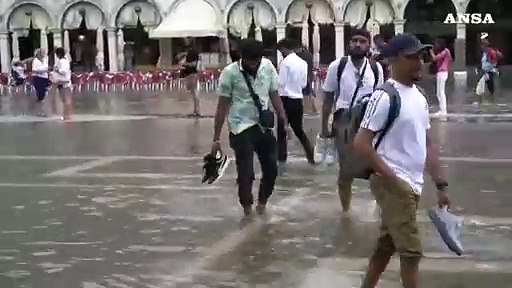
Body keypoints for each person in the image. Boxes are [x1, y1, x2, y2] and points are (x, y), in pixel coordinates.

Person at [353, 33, 450, 288]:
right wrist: (393, 179)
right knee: (411, 250)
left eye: (420, 56)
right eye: (411, 58)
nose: (419, 63)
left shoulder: (418, 96)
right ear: (393, 61)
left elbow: (427, 144)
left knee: (387, 245)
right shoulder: (384, 96)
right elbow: (361, 143)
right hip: (393, 182)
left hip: (411, 183)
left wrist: (441, 184)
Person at [211, 39, 288, 216]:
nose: (253, 64)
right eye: (249, 60)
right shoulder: (229, 73)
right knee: (246, 172)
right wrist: (216, 138)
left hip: (263, 126)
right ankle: (247, 209)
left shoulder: (267, 67)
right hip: (240, 127)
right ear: (241, 57)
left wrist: (283, 119)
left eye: (256, 60)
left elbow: (274, 93)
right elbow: (222, 106)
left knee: (272, 168)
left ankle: (262, 203)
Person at [321, 29, 384, 214]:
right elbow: (327, 99)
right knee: (345, 171)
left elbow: (381, 99)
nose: (357, 44)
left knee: (376, 169)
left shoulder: (375, 68)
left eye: (362, 41)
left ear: (368, 45)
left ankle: (380, 211)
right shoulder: (337, 66)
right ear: (349, 44)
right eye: (354, 41)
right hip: (344, 122)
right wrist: (324, 127)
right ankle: (346, 212)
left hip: (369, 122)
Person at [276, 38, 315, 171]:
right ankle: (311, 155)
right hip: (297, 99)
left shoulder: (285, 63)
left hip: (285, 99)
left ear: (285, 49)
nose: (281, 53)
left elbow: (281, 83)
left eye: (281, 50)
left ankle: (281, 160)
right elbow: (304, 84)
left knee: (281, 131)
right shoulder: (302, 63)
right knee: (299, 130)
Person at [476, 33, 502, 104]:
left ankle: (489, 101)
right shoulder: (483, 52)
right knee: (481, 88)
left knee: (489, 88)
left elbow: (495, 60)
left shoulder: (490, 51)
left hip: (488, 71)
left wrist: (492, 67)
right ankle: (484, 101)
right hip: (484, 71)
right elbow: (481, 61)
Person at [178, 37, 201, 116]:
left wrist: (184, 64)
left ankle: (197, 110)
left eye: (187, 39)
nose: (185, 41)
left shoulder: (193, 51)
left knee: (194, 92)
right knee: (193, 92)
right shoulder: (190, 51)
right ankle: (196, 110)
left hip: (191, 73)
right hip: (190, 73)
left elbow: (194, 64)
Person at [429, 38, 451, 115]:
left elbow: (435, 58)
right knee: (438, 92)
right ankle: (442, 109)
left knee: (441, 92)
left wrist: (431, 52)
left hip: (443, 72)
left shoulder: (445, 51)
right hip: (441, 72)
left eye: (437, 44)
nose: (436, 45)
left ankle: (443, 110)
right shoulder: (443, 52)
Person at [295, 45, 318, 114]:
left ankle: (304, 109)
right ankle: (314, 109)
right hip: (309, 76)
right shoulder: (310, 55)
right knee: (310, 92)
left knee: (302, 93)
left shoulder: (300, 56)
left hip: (303, 76)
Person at [53, 47, 73, 120]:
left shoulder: (62, 61)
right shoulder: (64, 60)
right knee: (64, 99)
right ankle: (66, 115)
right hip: (62, 82)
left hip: (64, 82)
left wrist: (57, 70)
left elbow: (64, 71)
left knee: (66, 99)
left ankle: (66, 115)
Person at [32, 48, 50, 117]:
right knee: (40, 95)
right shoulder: (35, 61)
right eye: (42, 53)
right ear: (38, 54)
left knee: (44, 95)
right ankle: (39, 111)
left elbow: (46, 67)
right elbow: (34, 69)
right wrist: (44, 69)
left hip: (44, 78)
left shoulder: (44, 60)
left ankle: (42, 111)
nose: (44, 54)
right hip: (38, 78)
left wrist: (45, 69)